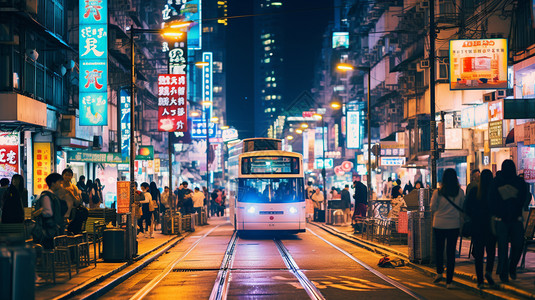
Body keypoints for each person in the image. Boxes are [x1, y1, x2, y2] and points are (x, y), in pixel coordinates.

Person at [489, 160, 529, 283]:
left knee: (503, 247)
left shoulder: (497, 182)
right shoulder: (518, 182)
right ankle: (508, 269)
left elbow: (491, 199)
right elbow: (524, 197)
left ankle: (507, 270)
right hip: (514, 218)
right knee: (517, 244)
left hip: (503, 218)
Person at [430, 168, 465, 288]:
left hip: (438, 224)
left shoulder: (438, 193)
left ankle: (439, 273)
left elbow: (432, 208)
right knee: (450, 253)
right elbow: (461, 207)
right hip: (453, 225)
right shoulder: (459, 192)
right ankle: (449, 281)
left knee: (439, 250)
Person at [465, 169, 496, 288]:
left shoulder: (474, 191)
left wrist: (473, 216)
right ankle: (488, 272)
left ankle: (480, 280)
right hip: (490, 226)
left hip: (477, 226)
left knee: (479, 254)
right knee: (491, 251)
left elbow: (467, 208)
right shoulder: (493, 192)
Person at [32, 173, 65, 249]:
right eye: (59, 183)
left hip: (51, 229)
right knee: (49, 249)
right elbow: (48, 213)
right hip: (48, 230)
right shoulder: (47, 196)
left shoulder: (52, 196)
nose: (61, 185)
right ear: (53, 183)